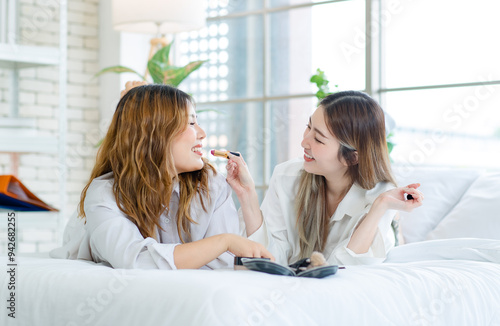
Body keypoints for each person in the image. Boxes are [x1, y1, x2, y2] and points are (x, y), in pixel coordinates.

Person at [50, 82, 273, 269]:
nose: (202, 134)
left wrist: (224, 244)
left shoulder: (212, 185)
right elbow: (136, 260)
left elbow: (220, 266)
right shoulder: (105, 194)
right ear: (155, 133)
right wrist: (224, 241)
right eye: (192, 123)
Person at [226, 90, 424, 266]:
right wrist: (248, 195)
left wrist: (379, 206)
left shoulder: (380, 194)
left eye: (319, 139)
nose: (304, 142)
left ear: (352, 157)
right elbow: (270, 258)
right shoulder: (287, 176)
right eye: (308, 127)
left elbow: (347, 270)